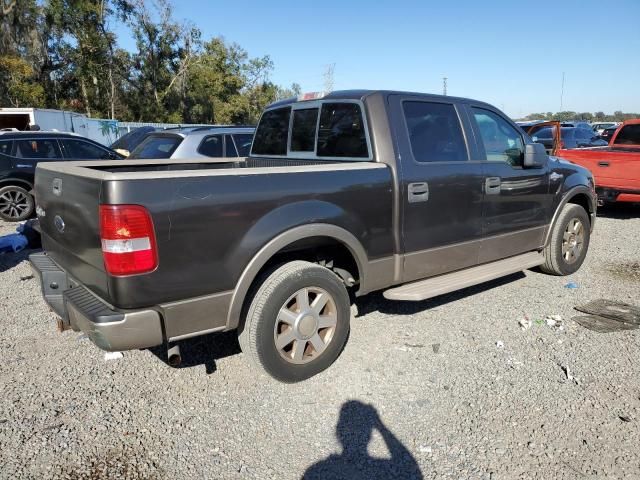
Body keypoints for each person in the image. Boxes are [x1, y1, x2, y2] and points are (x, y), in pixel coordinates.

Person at [303, 400, 423, 479]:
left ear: (338, 431)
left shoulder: (315, 471)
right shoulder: (383, 466)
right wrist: (381, 427)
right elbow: (412, 469)